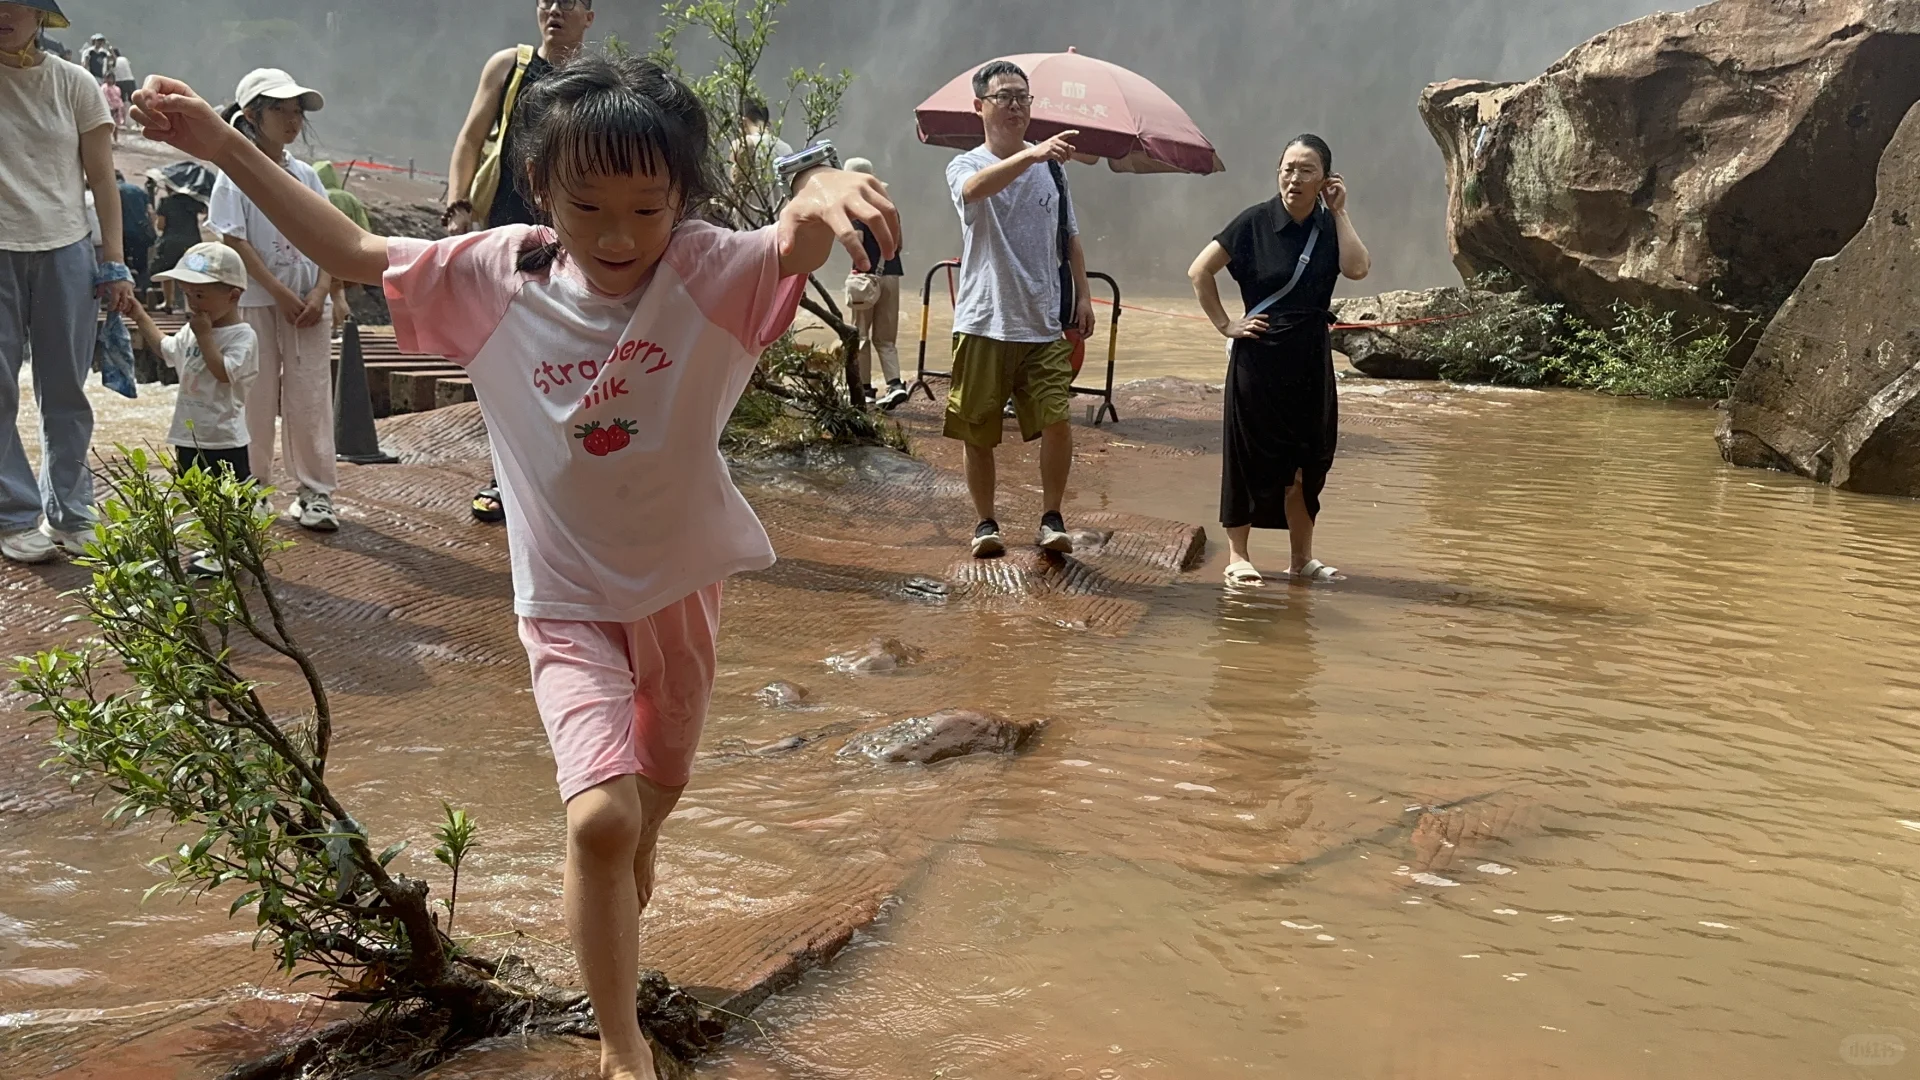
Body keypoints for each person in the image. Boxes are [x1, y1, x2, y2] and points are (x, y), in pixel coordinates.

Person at [134, 52, 897, 1080]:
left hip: (681, 591)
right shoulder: (499, 273)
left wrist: (823, 184)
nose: (619, 237)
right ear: (540, 189)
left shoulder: (710, 271)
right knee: (601, 820)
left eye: (647, 208)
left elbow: (796, 235)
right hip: (566, 599)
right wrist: (223, 144)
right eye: (589, 208)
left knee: (647, 808)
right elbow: (352, 250)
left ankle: (635, 863)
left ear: (683, 198)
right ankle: (621, 1048)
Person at [1188, 134, 1371, 586]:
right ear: (1278, 173)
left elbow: (1357, 268)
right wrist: (1226, 325)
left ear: (1326, 180)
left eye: (1307, 170)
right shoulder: (1254, 222)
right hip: (1259, 360)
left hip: (1311, 361)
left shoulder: (1329, 227)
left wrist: (1341, 212)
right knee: (1247, 457)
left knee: (1309, 460)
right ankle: (1238, 556)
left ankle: (1301, 559)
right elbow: (1200, 270)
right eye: (1288, 169)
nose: (1295, 178)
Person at [443, 0, 596, 524]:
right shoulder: (510, 66)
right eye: (546, 0)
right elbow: (471, 136)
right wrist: (458, 201)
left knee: (565, 356)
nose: (555, 9)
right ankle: (505, 478)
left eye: (568, 1)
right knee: (508, 359)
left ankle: (562, 473)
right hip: (507, 237)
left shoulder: (596, 81)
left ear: (589, 15)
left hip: (571, 239)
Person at [0, 0, 136, 565]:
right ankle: (13, 514)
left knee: (65, 389)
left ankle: (72, 512)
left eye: (15, 3)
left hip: (65, 248)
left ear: (40, 15)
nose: (3, 12)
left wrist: (114, 262)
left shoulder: (74, 83)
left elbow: (102, 179)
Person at [943, 60, 1094, 559]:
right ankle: (986, 523)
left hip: (1043, 321)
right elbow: (973, 192)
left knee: (1058, 419)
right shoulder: (965, 165)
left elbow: (1070, 236)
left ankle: (1052, 517)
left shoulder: (1052, 168)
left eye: (1023, 97)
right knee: (977, 429)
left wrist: (1083, 294)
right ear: (979, 106)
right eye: (1004, 96)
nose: (1015, 106)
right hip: (984, 319)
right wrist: (1032, 155)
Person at [208, 67, 339, 532]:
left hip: (310, 304)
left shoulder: (305, 175)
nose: (292, 120)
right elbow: (235, 241)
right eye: (280, 110)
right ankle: (253, 489)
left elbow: (330, 236)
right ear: (251, 115)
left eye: (296, 111)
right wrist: (281, 292)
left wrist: (321, 290)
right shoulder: (234, 175)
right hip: (259, 302)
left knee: (310, 396)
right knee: (255, 396)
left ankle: (316, 492)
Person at [124, 241, 259, 482]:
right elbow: (166, 349)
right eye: (186, 294)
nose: (193, 303)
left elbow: (224, 373)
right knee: (194, 495)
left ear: (233, 296)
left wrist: (205, 336)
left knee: (231, 498)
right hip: (188, 436)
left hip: (223, 439)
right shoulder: (192, 330)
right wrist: (140, 316)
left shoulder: (242, 336)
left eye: (199, 295)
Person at [843, 157, 907, 410]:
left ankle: (866, 389)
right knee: (886, 338)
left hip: (865, 279)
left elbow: (856, 241)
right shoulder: (889, 207)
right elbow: (898, 244)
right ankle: (895, 384)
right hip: (891, 275)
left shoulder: (857, 207)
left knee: (860, 335)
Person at [315, 161, 371, 334]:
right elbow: (364, 227)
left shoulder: (317, 195)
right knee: (339, 293)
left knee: (333, 294)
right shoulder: (349, 199)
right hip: (348, 254)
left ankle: (337, 329)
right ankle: (341, 328)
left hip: (324, 253)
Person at [152, 175, 207, 312]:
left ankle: (168, 303)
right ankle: (189, 307)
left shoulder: (165, 202)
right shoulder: (192, 201)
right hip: (192, 241)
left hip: (171, 241)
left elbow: (160, 226)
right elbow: (205, 211)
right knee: (191, 272)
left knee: (167, 271)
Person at [115, 168, 153, 289]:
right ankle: (145, 291)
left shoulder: (112, 191)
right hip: (140, 231)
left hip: (121, 233)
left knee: (122, 264)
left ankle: (126, 291)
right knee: (142, 266)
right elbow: (150, 211)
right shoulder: (137, 189)